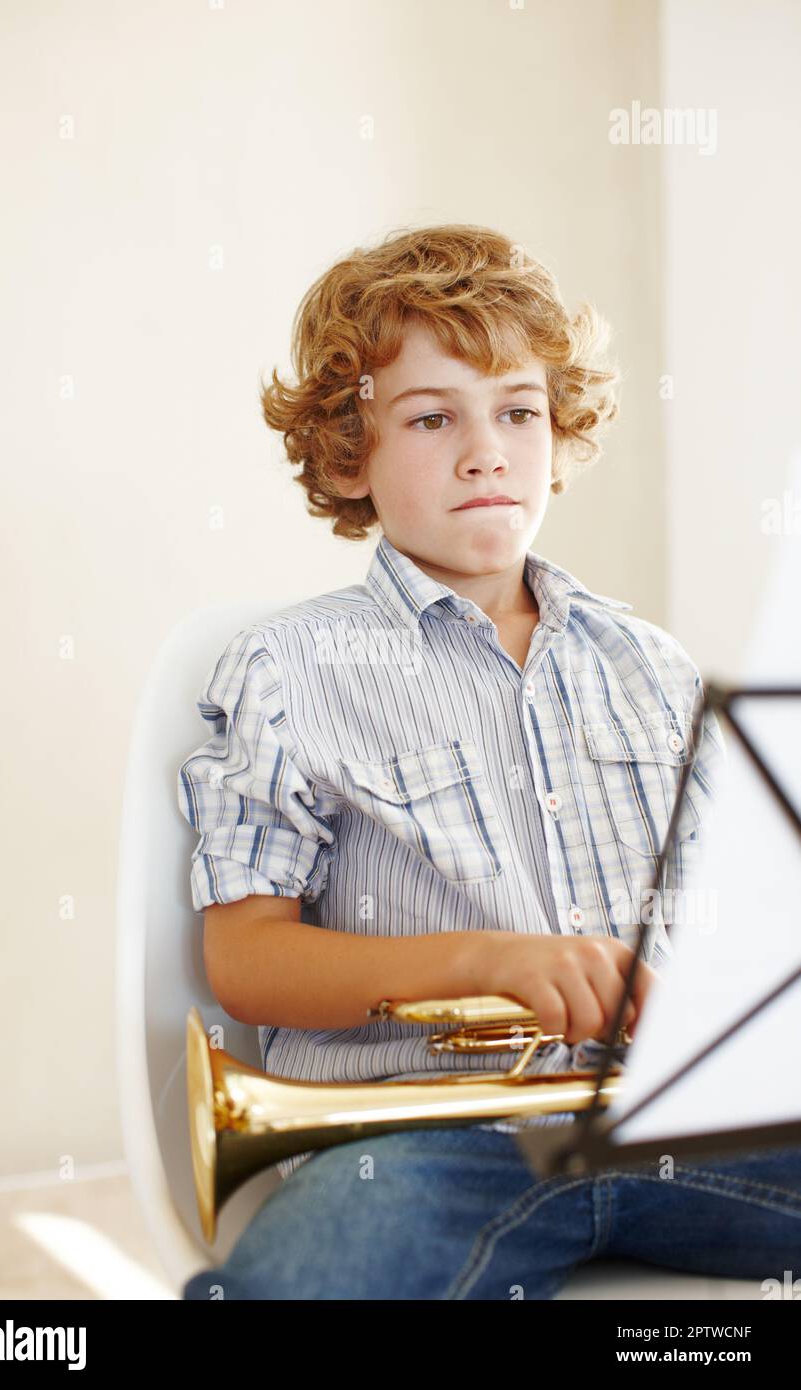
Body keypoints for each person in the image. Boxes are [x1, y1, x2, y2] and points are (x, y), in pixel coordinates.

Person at [176, 224, 801, 1299]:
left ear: (557, 431)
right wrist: (482, 962)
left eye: (517, 411)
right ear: (346, 453)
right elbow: (246, 961)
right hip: (429, 1142)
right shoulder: (289, 666)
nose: (487, 452)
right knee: (312, 1280)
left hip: (671, 1126)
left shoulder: (648, 665)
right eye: (431, 418)